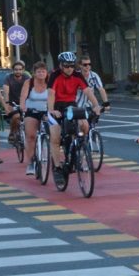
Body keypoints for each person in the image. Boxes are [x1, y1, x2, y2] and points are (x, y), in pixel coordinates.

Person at [47, 51, 101, 185]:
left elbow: (88, 91)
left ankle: (79, 147)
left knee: (84, 125)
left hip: (71, 105)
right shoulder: (54, 75)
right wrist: (52, 110)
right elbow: (51, 94)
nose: (69, 69)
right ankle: (57, 168)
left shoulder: (77, 75)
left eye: (72, 66)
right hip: (56, 107)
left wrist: (96, 105)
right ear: (61, 65)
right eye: (66, 66)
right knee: (55, 137)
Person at [19, 61, 50, 175]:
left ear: (46, 73)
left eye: (43, 71)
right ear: (34, 73)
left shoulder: (50, 82)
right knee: (31, 136)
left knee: (54, 133)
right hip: (31, 111)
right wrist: (23, 106)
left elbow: (55, 96)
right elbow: (23, 97)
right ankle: (31, 162)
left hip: (46, 111)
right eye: (39, 72)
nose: (41, 74)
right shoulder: (29, 82)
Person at [2, 60, 30, 145]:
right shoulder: (8, 78)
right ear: (13, 70)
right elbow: (6, 91)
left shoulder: (27, 78)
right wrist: (7, 104)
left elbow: (31, 89)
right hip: (12, 102)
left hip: (25, 102)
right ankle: (12, 132)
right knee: (16, 117)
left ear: (23, 70)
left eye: (20, 69)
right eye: (16, 69)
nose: (18, 71)